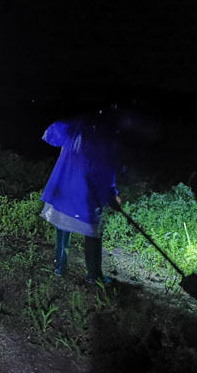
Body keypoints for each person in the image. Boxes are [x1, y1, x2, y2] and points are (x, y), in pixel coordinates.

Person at [40, 111, 120, 284]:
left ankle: (59, 269)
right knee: (93, 229)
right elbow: (106, 171)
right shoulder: (105, 136)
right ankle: (94, 275)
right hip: (84, 191)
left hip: (64, 187)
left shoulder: (77, 124)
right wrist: (112, 195)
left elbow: (52, 134)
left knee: (63, 224)